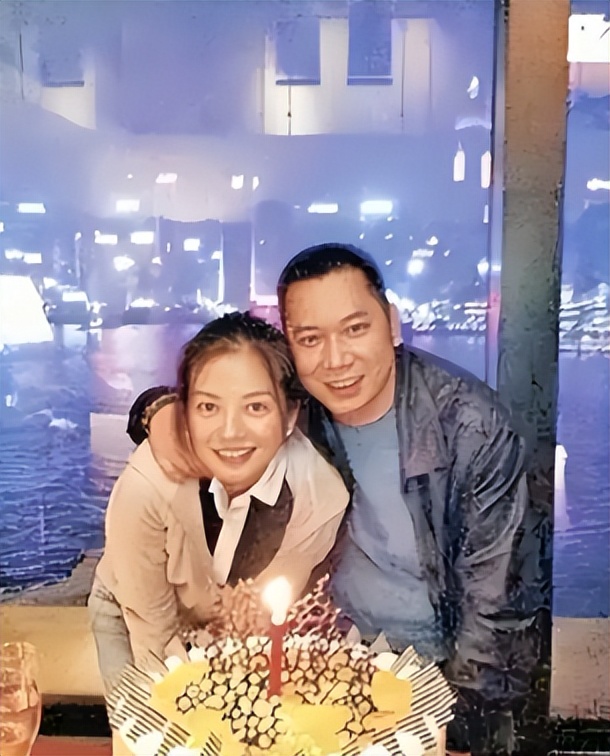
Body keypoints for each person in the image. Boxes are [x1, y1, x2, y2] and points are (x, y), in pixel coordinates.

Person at [128, 244, 547, 755]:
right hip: (331, 661)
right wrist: (157, 409)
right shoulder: (301, 404)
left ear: (392, 323)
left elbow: (498, 609)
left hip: (441, 680)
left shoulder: (470, 428)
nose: (336, 360)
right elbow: (220, 390)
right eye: (311, 339)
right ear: (290, 346)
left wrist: (449, 732)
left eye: (355, 329)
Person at [88, 311, 349, 696]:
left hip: (234, 627)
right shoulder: (148, 486)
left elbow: (260, 616)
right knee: (146, 723)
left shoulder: (321, 499)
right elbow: (154, 644)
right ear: (185, 410)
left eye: (256, 407)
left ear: (290, 414)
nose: (230, 432)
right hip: (135, 613)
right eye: (209, 407)